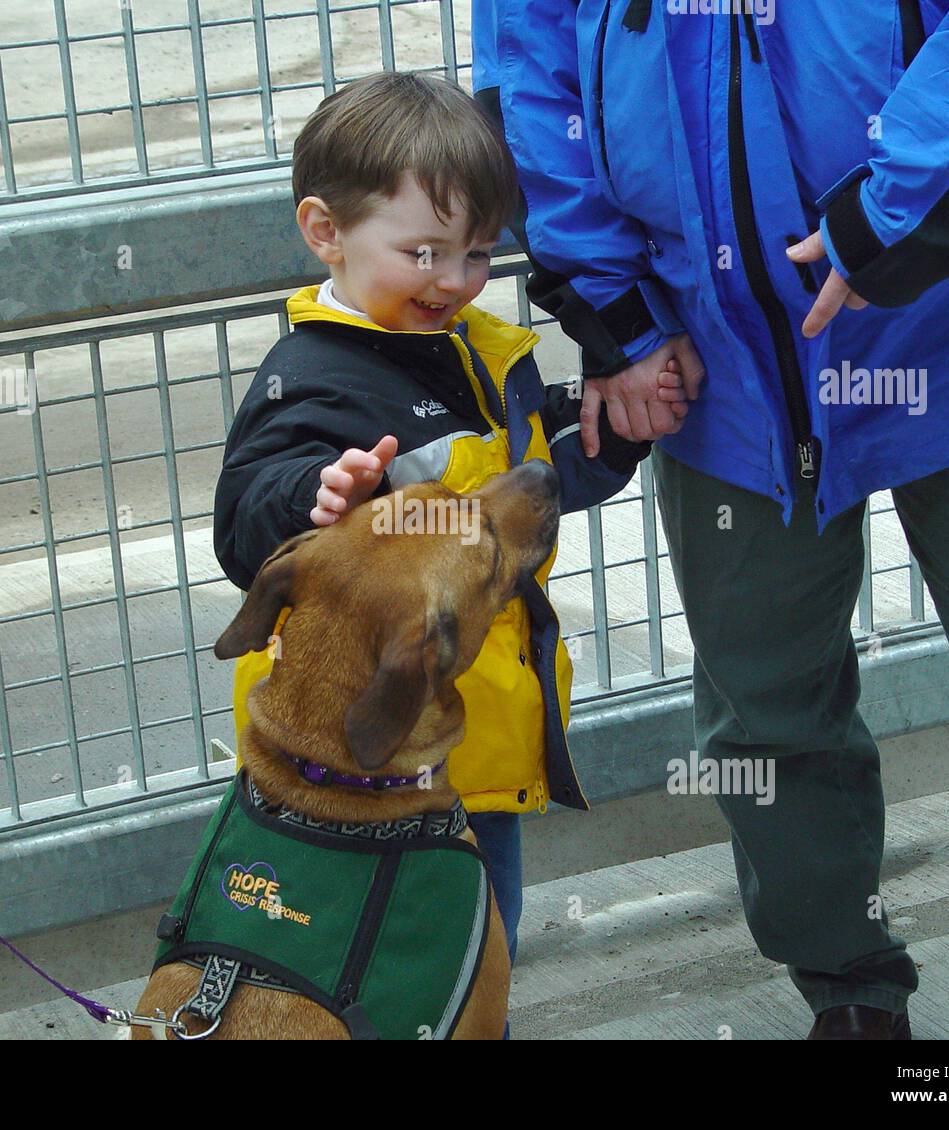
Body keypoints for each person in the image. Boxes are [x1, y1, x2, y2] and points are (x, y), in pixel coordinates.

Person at [474, 0, 949, 1038]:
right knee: (763, 707)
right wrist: (616, 315)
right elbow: (526, 66)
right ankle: (844, 986)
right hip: (720, 357)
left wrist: (890, 213)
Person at [213, 71, 669, 977]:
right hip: (354, 765)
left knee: (475, 953)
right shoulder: (310, 376)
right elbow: (243, 521)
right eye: (425, 253)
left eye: (477, 255)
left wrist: (611, 433)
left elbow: (528, 487)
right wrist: (314, 493)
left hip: (478, 741)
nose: (454, 280)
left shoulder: (476, 354)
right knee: (353, 958)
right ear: (325, 233)